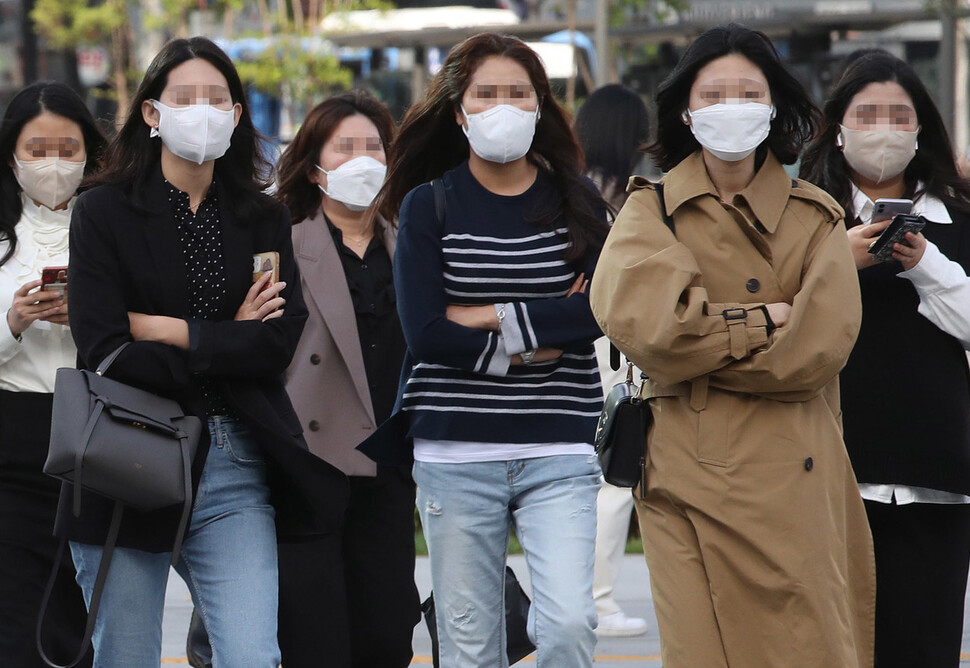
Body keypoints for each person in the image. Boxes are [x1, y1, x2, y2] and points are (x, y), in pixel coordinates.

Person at [589, 24, 875, 667]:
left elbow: (815, 350)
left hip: (794, 476)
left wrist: (706, 341)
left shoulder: (816, 216)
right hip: (683, 480)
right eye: (713, 94)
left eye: (747, 92)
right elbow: (652, 329)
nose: (731, 107)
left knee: (806, 648)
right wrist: (768, 318)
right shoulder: (651, 210)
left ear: (773, 106)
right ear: (686, 112)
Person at [57, 36, 346, 667]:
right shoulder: (103, 212)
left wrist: (169, 330)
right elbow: (106, 349)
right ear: (152, 113)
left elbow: (275, 342)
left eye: (218, 98)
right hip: (126, 452)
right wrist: (225, 335)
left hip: (234, 456)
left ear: (239, 115)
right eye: (184, 97)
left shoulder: (261, 217)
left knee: (252, 654)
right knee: (126, 655)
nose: (204, 111)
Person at [378, 32, 608, 667]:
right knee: (470, 647)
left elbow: (596, 310)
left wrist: (481, 316)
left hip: (557, 444)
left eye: (518, 93)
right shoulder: (429, 205)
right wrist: (533, 339)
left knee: (567, 625)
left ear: (540, 107)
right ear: (459, 111)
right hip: (456, 449)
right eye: (485, 94)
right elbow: (425, 331)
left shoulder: (580, 203)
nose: (501, 106)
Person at [800, 49, 970, 668]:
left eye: (900, 115)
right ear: (838, 126)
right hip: (826, 470)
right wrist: (833, 263)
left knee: (924, 646)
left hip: (937, 472)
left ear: (922, 127)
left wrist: (926, 264)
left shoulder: (957, 218)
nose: (883, 129)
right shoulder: (803, 215)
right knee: (833, 648)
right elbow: (774, 319)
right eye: (866, 113)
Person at [273, 90, 420, 667]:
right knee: (316, 640)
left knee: (387, 634)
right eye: (345, 148)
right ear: (313, 167)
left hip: (389, 462)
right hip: (310, 465)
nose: (363, 160)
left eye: (374, 147)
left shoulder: (408, 240)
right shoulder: (284, 244)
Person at [0, 81, 105, 668]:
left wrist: (88, 315)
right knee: (16, 628)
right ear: (11, 153)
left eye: (68, 149)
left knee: (84, 620)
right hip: (13, 442)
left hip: (96, 436)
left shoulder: (112, 221)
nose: (53, 165)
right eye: (36, 150)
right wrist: (14, 320)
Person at [574, 83, 650, 638]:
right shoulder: (619, 200)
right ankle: (598, 600)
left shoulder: (571, 191)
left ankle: (586, 597)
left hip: (579, 346)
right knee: (614, 475)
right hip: (612, 347)